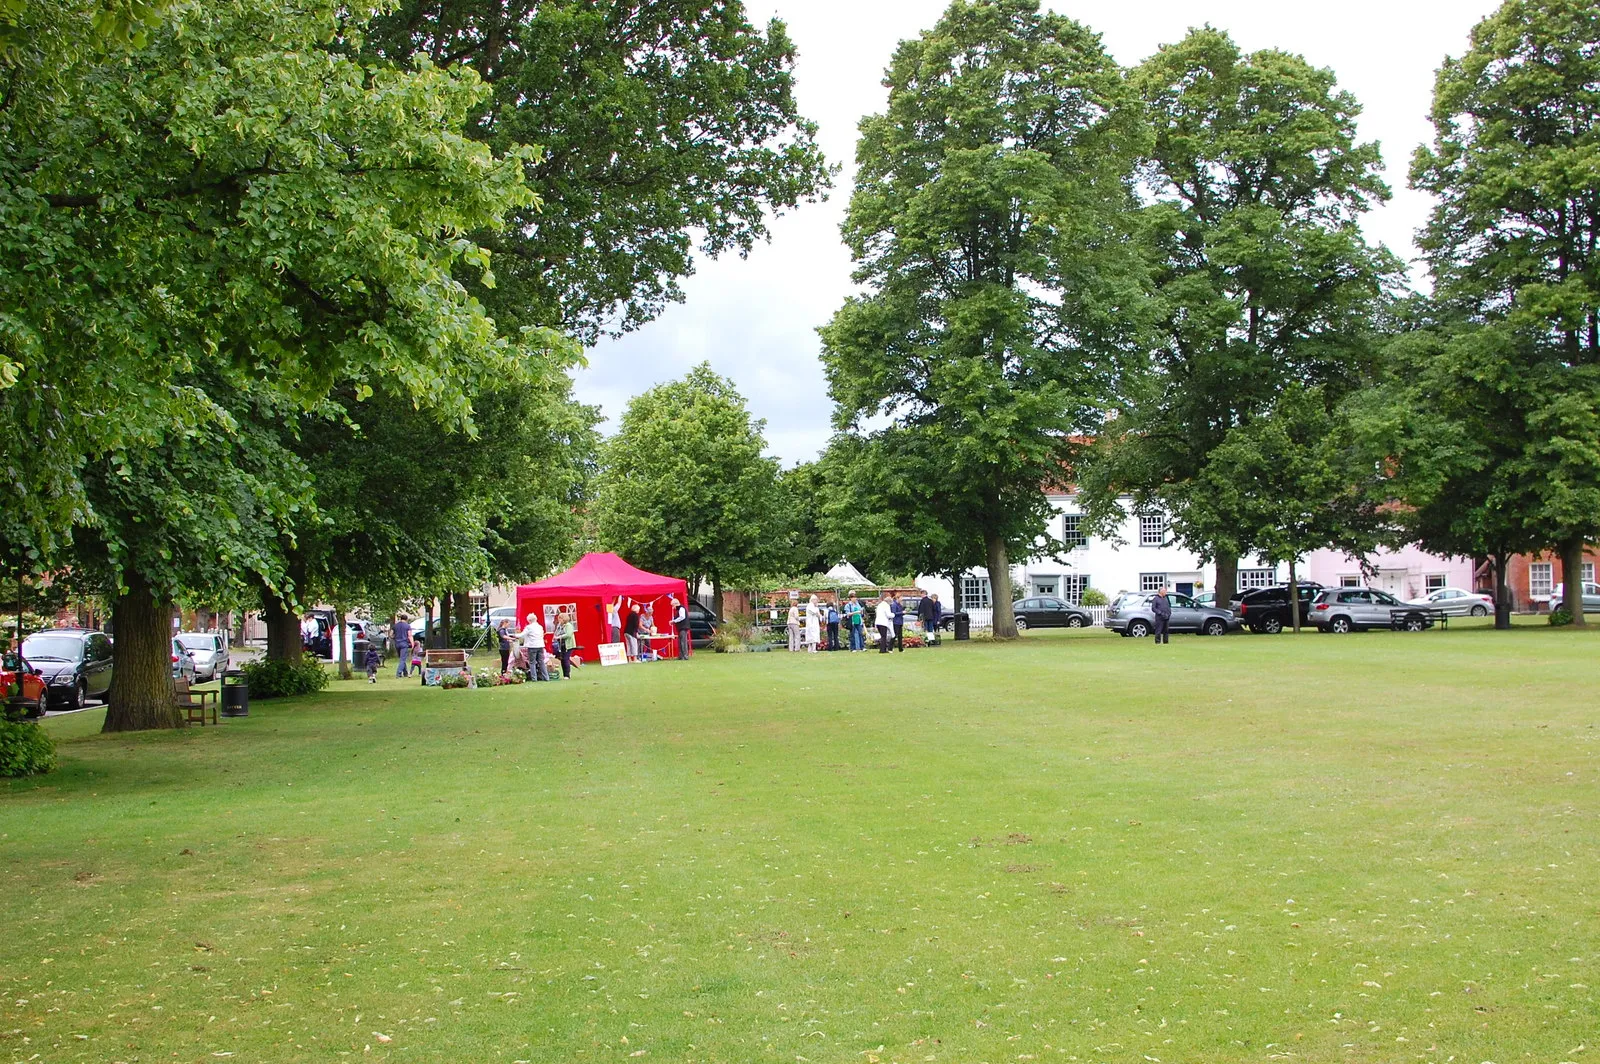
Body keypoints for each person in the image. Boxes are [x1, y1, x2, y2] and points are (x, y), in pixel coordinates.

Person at [520, 611, 549, 680]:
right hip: (540, 645)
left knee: (532, 662)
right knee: (541, 662)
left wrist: (514, 636)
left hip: (532, 646)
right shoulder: (540, 627)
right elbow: (542, 635)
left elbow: (522, 635)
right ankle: (546, 677)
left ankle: (534, 678)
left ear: (529, 620)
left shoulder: (529, 627)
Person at [553, 608, 576, 678]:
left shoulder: (568, 625)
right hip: (561, 645)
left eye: (560, 619)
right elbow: (556, 632)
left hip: (568, 645)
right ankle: (564, 675)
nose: (559, 620)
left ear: (564, 619)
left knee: (566, 659)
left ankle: (567, 675)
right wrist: (555, 636)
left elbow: (568, 634)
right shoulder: (559, 625)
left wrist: (559, 637)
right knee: (562, 659)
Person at [670, 595, 690, 660]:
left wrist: (674, 621)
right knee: (680, 642)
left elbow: (682, 617)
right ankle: (681, 656)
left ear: (676, 604)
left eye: (673, 605)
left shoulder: (681, 608)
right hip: (681, 628)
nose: (673, 607)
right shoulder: (679, 609)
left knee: (683, 642)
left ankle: (685, 656)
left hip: (683, 627)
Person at [393, 613, 412, 678]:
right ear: (406, 619)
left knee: (402, 659)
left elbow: (390, 634)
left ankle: (405, 673)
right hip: (404, 644)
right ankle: (398, 673)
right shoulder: (407, 626)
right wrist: (412, 644)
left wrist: (394, 638)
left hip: (397, 644)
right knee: (402, 659)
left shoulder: (395, 625)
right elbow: (409, 635)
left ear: (401, 618)